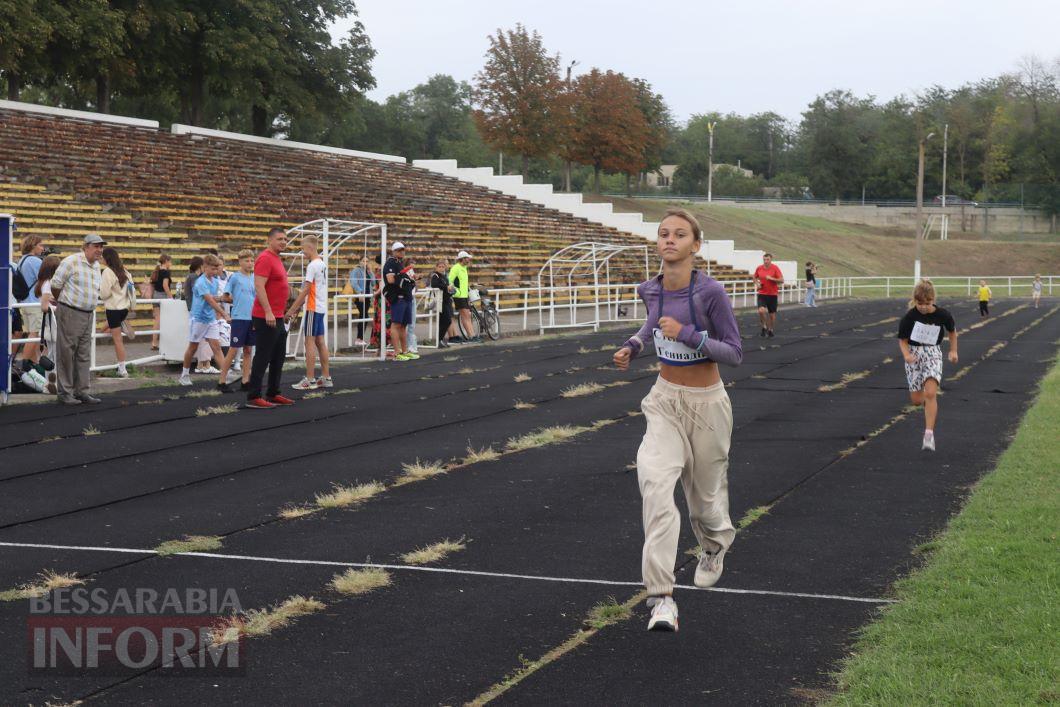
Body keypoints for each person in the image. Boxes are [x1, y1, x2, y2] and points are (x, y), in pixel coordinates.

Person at [612, 208, 743, 633]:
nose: (669, 240)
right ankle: (661, 597)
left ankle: (713, 546)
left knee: (703, 504)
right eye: (663, 233)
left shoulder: (711, 294)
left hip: (707, 405)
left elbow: (734, 352)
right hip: (664, 401)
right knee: (654, 487)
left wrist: (688, 334)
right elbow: (654, 323)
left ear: (695, 245)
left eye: (679, 234)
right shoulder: (650, 289)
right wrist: (634, 345)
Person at [897, 279, 958, 452]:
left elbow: (952, 331)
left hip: (932, 354)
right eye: (920, 303)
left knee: (931, 393)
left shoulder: (943, 315)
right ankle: (926, 403)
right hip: (914, 355)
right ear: (914, 301)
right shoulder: (909, 317)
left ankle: (929, 434)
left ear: (933, 300)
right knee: (917, 401)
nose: (923, 307)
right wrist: (907, 355)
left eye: (927, 303)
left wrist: (953, 351)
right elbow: (902, 340)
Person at [50, 234, 105, 404]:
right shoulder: (70, 261)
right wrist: (64, 304)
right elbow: (55, 285)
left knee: (83, 354)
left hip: (88, 313)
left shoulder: (96, 266)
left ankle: (81, 391)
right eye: (96, 246)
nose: (100, 250)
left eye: (101, 247)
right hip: (71, 311)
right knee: (66, 353)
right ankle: (65, 393)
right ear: (86, 246)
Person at [246, 227, 294, 409]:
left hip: (278, 316)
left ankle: (273, 392)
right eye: (280, 239)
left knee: (278, 356)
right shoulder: (265, 258)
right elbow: (259, 286)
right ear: (270, 240)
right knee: (263, 356)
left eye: (285, 239)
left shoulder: (277, 259)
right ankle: (254, 395)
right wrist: (268, 311)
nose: (284, 242)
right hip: (266, 316)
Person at [286, 235, 332, 390]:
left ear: (310, 247)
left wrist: (292, 309)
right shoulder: (322, 264)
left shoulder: (312, 265)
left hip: (313, 308)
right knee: (320, 342)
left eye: (303, 248)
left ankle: (310, 379)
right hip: (321, 307)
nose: (302, 251)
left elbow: (306, 289)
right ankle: (326, 377)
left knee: (309, 342)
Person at [179, 254, 229, 386]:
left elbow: (213, 298)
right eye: (213, 269)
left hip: (210, 319)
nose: (215, 271)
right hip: (198, 318)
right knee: (193, 347)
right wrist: (224, 313)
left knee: (216, 347)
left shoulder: (215, 280)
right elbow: (209, 300)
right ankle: (184, 374)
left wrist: (223, 298)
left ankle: (225, 374)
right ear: (204, 267)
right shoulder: (200, 282)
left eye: (217, 269)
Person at [218, 249, 256, 392]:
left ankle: (245, 381)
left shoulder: (254, 278)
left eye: (252, 260)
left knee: (248, 350)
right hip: (239, 317)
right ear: (240, 262)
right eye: (247, 260)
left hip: (252, 318)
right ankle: (222, 381)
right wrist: (236, 299)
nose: (250, 263)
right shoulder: (234, 277)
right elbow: (226, 296)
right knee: (233, 350)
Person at [100, 247, 137, 377]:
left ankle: (122, 369)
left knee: (117, 340)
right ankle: (122, 323)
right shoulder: (125, 272)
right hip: (124, 309)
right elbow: (131, 290)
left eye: (102, 256)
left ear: (107, 258)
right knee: (103, 330)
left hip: (113, 309)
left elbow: (104, 294)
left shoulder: (107, 272)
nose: (100, 259)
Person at [15, 235, 46, 365]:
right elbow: (46, 279)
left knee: (30, 334)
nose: (43, 248)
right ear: (33, 246)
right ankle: (25, 364)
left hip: (24, 302)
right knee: (35, 334)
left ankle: (32, 365)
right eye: (40, 245)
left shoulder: (22, 260)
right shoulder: (35, 261)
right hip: (34, 302)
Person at [382, 242, 415, 361]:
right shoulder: (390, 263)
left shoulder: (399, 263)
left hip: (406, 297)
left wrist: (410, 279)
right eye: (399, 250)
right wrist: (404, 278)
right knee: (396, 324)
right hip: (398, 297)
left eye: (403, 250)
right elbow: (390, 280)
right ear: (393, 251)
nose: (402, 252)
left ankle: (404, 351)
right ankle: (397, 352)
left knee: (403, 325)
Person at [753, 253, 784, 337]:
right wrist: (757, 284)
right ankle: (764, 326)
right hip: (762, 294)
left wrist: (771, 278)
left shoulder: (775, 268)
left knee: (772, 315)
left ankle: (770, 329)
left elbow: (782, 280)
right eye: (764, 260)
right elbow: (754, 277)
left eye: (767, 260)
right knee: (761, 311)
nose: (766, 261)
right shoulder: (759, 268)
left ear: (771, 260)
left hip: (772, 294)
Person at [448, 251, 474, 343]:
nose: (469, 259)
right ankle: (471, 336)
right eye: (467, 258)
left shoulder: (464, 267)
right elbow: (449, 281)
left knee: (467, 316)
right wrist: (456, 292)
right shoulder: (456, 268)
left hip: (464, 295)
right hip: (459, 296)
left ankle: (472, 336)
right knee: (465, 315)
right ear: (462, 259)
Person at [349, 256, 375, 346]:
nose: (365, 263)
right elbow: (353, 282)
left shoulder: (368, 271)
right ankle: (359, 338)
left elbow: (373, 282)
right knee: (364, 315)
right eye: (363, 261)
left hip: (367, 297)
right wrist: (359, 292)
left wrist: (370, 271)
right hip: (360, 297)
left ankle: (360, 338)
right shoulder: (356, 270)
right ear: (360, 261)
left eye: (367, 261)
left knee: (363, 316)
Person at [149, 254, 172, 350]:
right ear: (166, 261)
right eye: (170, 261)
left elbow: (153, 285)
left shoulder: (156, 271)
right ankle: (163, 342)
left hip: (155, 296)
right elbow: (165, 285)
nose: (171, 263)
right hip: (163, 296)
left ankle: (154, 342)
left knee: (157, 320)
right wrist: (171, 297)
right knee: (164, 319)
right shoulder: (165, 272)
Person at [431, 258, 455, 348]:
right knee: (446, 321)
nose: (441, 268)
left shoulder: (444, 276)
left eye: (443, 267)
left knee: (447, 321)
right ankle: (439, 340)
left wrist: (451, 289)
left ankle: (440, 340)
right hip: (440, 302)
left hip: (447, 301)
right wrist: (446, 287)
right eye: (440, 267)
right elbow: (434, 284)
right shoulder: (435, 276)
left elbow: (447, 287)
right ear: (436, 267)